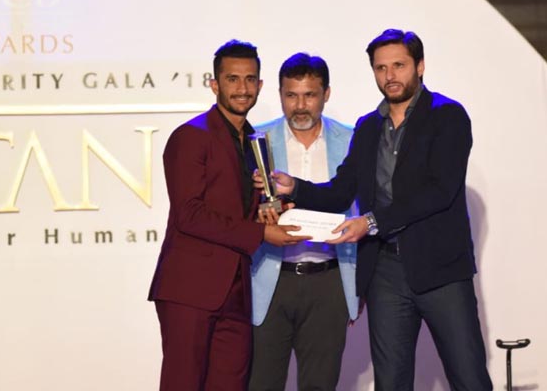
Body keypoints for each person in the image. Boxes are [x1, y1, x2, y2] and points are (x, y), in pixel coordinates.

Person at [261, 29, 493, 390]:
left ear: (420, 66)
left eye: (399, 65)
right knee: (391, 382)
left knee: (469, 377)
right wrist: (296, 187)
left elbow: (439, 191)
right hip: (384, 272)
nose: (390, 76)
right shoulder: (368, 126)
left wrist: (370, 222)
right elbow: (341, 191)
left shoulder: (448, 116)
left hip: (441, 270)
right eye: (381, 68)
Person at [148, 40, 309, 391]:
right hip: (190, 289)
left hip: (237, 290)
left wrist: (272, 213)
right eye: (232, 79)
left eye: (250, 79)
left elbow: (243, 209)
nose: (242, 88)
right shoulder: (191, 136)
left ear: (260, 85)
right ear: (214, 84)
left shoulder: (255, 141)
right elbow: (189, 214)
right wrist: (261, 234)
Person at [248, 53, 359, 391]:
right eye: (291, 95)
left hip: (330, 281)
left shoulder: (353, 140)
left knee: (320, 385)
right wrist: (257, 214)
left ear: (326, 94)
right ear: (279, 94)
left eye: (309, 95)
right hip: (269, 279)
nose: (299, 106)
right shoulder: (256, 139)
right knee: (261, 384)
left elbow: (365, 206)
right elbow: (237, 206)